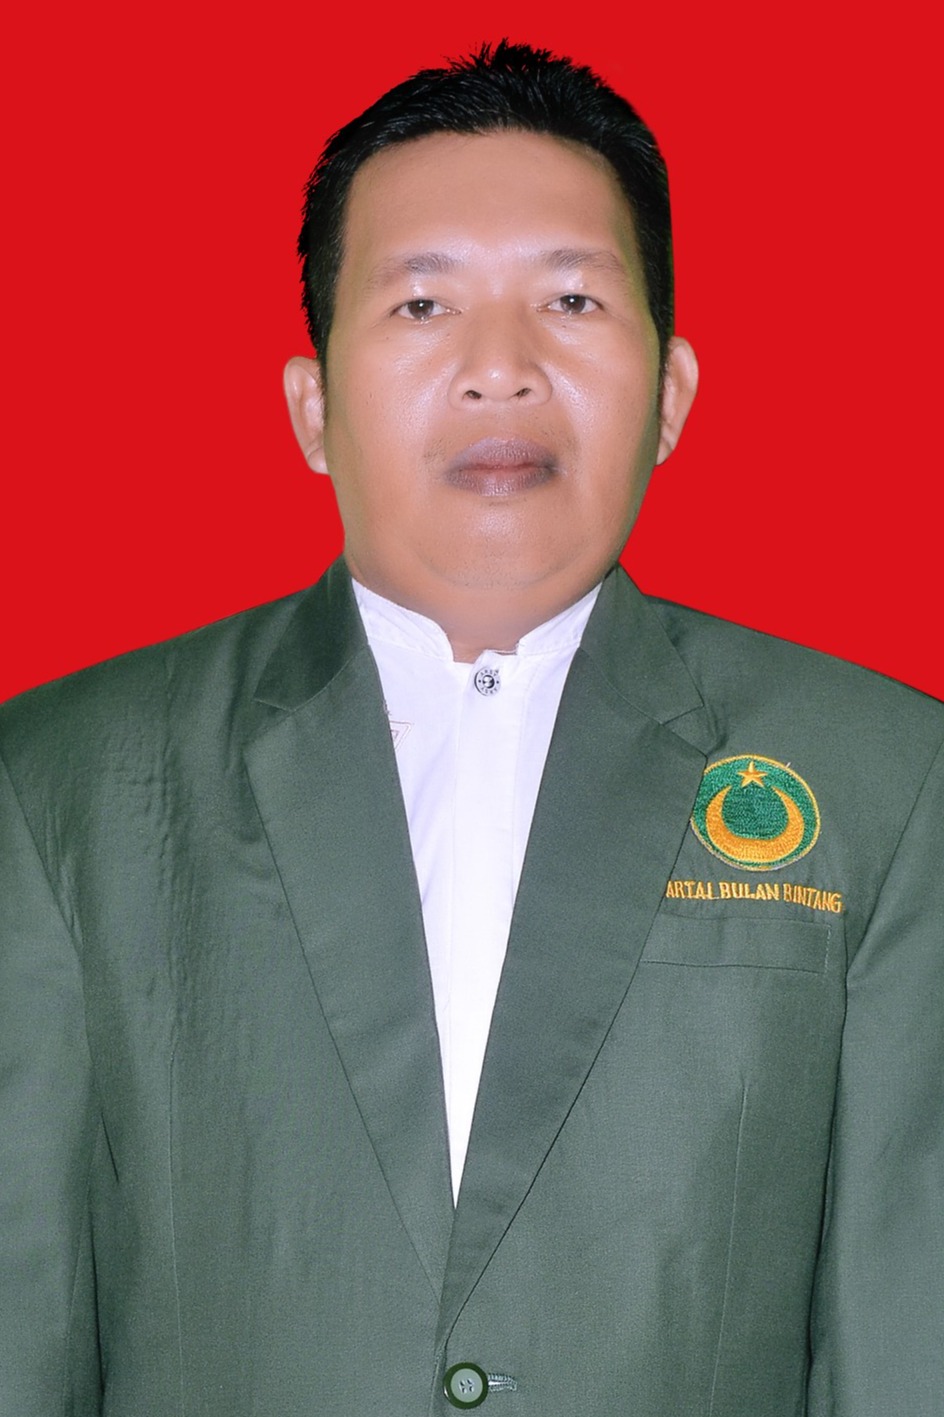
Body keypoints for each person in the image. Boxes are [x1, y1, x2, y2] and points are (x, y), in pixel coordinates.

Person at [1, 40, 942, 1417]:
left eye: (571, 299)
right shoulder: (60, 785)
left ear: (672, 394)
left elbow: (907, 1341)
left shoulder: (883, 779)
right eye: (424, 303)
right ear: (312, 406)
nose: (501, 369)